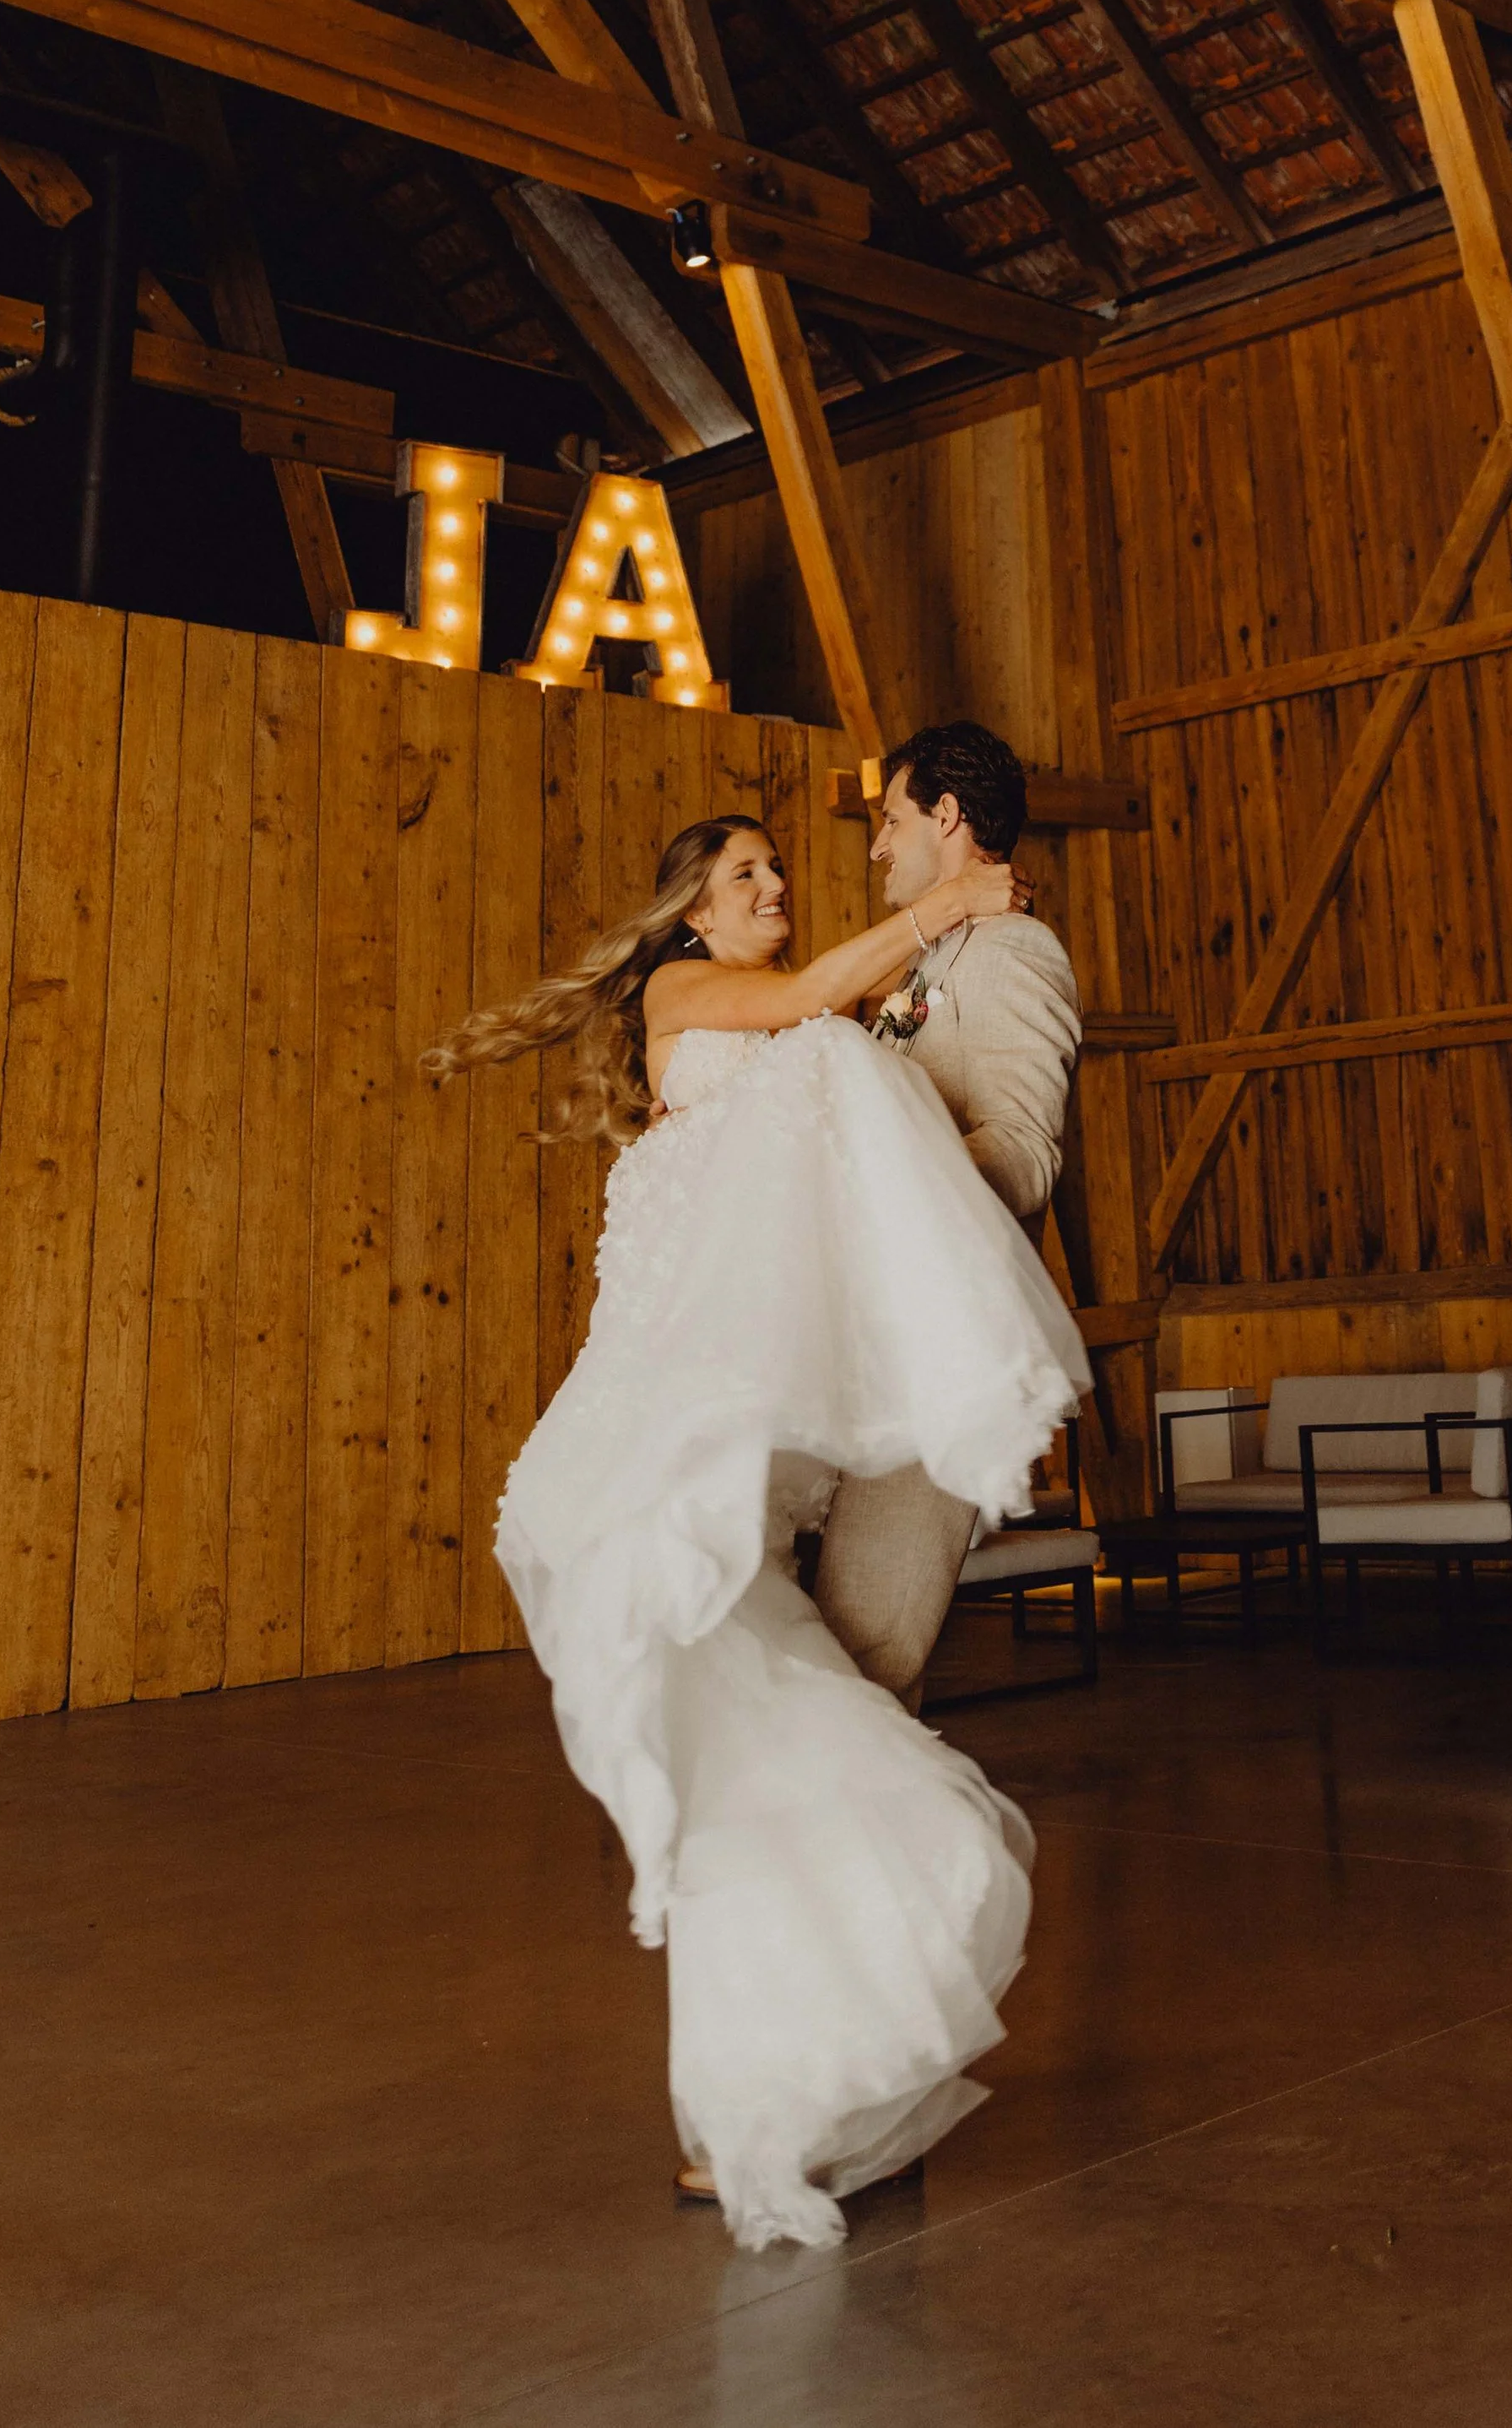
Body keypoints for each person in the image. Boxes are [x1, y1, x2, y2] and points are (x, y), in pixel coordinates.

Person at [427, 813, 1088, 2252]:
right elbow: (800, 1011)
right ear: (687, 916)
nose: (779, 886)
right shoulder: (690, 997)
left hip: (787, 1419)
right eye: (746, 876)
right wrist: (947, 904)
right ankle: (798, 2091)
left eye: (783, 869)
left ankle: (818, 2080)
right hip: (693, 1424)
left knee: (797, 1745)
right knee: (783, 1740)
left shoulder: (870, 1011)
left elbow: (923, 1118)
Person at [816, 724, 1083, 1706]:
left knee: (868, 1656)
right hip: (869, 1348)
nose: (879, 845)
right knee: (826, 1649)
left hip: (940, 1360)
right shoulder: (936, 957)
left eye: (891, 820)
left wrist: (881, 1184)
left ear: (946, 816)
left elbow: (1023, 1153)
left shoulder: (1014, 953)